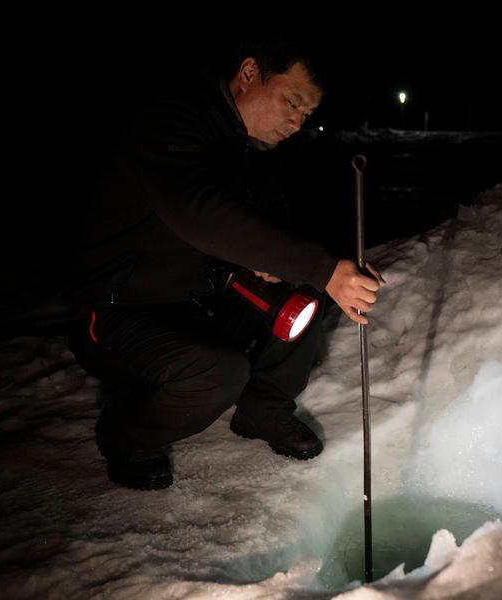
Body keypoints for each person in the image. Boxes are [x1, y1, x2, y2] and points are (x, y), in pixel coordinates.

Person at [64, 32, 382, 490]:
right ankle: (126, 434)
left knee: (304, 291)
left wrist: (302, 267)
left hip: (200, 300)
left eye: (307, 114)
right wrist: (322, 268)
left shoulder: (254, 152)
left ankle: (264, 409)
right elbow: (198, 212)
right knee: (219, 372)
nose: (297, 123)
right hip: (117, 312)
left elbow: (271, 230)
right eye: (292, 102)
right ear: (250, 73)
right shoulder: (169, 122)